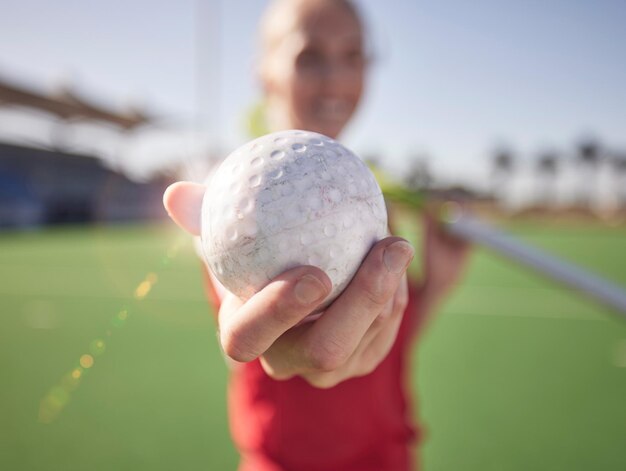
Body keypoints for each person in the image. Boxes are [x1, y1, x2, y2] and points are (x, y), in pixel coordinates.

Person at [163, 0, 468, 469]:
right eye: (311, 56)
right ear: (265, 72)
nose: (336, 79)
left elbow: (382, 343)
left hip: (389, 456)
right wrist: (261, 337)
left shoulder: (369, 205)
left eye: (354, 56)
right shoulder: (224, 207)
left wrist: (437, 285)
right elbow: (246, 326)